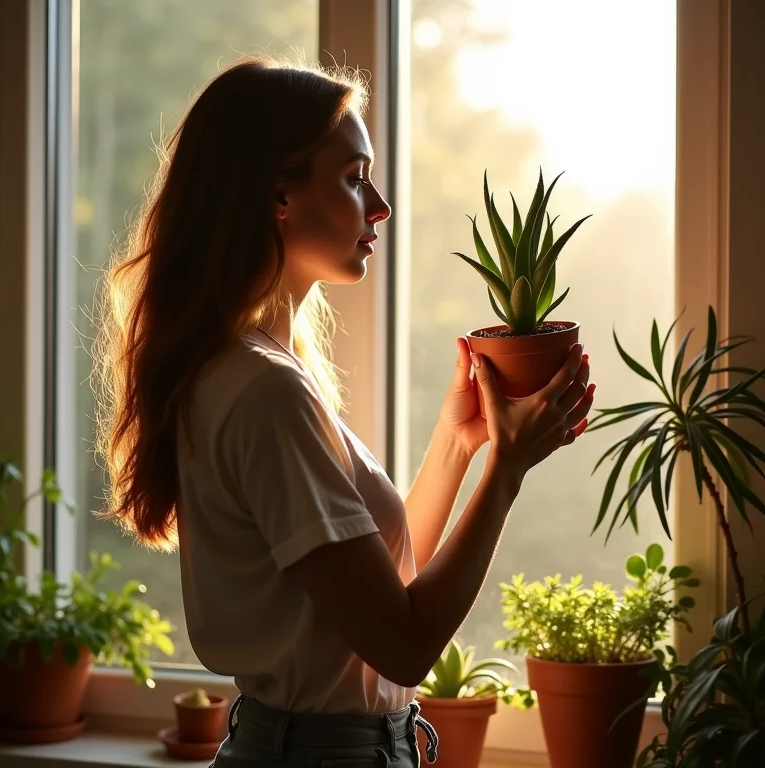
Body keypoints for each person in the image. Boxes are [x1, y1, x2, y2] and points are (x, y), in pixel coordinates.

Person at [93, 54, 594, 768]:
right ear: (278, 196)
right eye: (354, 178)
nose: (379, 205)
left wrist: (458, 445)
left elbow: (380, 594)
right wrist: (507, 472)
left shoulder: (255, 371)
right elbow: (405, 645)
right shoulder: (265, 391)